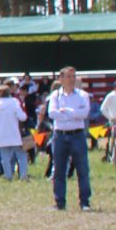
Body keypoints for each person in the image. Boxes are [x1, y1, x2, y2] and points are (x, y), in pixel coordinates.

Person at [44, 67, 93, 210]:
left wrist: (67, 111)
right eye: (68, 76)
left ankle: (85, 202)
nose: (72, 79)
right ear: (61, 79)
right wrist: (73, 114)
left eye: (73, 76)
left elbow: (84, 114)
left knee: (82, 169)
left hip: (77, 135)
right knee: (59, 170)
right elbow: (52, 113)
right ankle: (60, 202)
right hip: (60, 135)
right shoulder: (55, 96)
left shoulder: (82, 95)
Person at [0, 84, 29, 182]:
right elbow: (22, 117)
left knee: (5, 157)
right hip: (14, 133)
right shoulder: (14, 102)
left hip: (0, 134)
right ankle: (23, 175)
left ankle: (8, 175)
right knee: (21, 155)